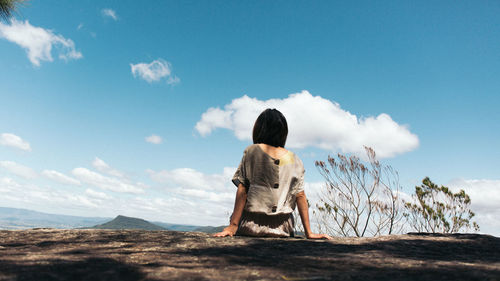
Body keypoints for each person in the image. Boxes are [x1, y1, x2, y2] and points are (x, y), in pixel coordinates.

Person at [214, 108, 332, 239]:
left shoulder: (252, 151)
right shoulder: (295, 159)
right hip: (283, 229)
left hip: (251, 226)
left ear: (259, 129)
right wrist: (309, 232)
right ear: (283, 133)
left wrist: (233, 226)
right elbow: (300, 195)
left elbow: (243, 189)